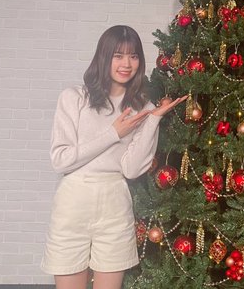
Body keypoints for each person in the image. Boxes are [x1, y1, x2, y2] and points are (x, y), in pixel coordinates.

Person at [41, 25, 186, 289]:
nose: (126, 64)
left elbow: (131, 170)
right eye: (118, 55)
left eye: (133, 56)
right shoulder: (74, 98)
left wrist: (153, 120)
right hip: (73, 202)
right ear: (104, 57)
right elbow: (61, 160)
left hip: (115, 202)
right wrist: (114, 133)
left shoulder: (143, 108)